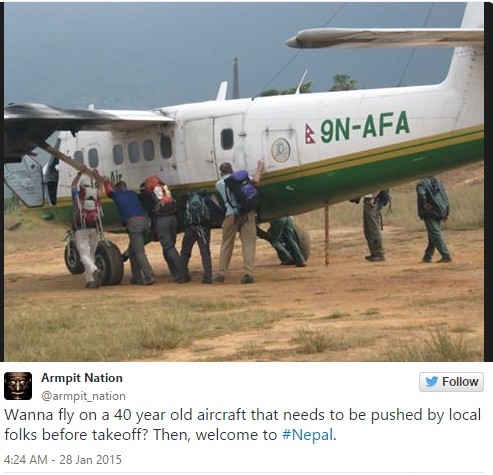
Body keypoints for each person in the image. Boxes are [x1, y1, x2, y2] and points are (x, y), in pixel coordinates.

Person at [214, 160, 264, 284]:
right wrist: (259, 168)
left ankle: (221, 273)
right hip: (247, 213)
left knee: (226, 243)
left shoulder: (219, 184)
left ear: (221, 172)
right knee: (248, 243)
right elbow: (256, 180)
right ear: (232, 170)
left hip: (231, 215)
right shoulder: (241, 178)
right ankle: (249, 273)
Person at [101, 177, 156, 285]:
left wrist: (105, 181)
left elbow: (108, 191)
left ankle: (149, 276)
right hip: (145, 222)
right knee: (132, 251)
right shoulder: (132, 193)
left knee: (139, 252)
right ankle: (136, 277)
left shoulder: (117, 195)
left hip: (134, 224)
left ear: (117, 189)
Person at [176, 189, 225, 284]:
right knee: (205, 253)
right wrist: (216, 203)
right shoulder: (206, 199)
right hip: (203, 229)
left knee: (185, 252)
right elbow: (220, 211)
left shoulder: (188, 199)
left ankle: (182, 276)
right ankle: (207, 277)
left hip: (190, 229)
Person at [71, 166, 102, 289]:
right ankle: (90, 280)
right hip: (94, 227)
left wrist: (79, 174)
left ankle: (94, 271)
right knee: (91, 254)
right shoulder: (96, 194)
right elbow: (100, 185)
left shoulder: (77, 195)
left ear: (81, 187)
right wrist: (97, 176)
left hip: (81, 228)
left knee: (84, 255)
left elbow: (73, 186)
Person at [148, 177, 182, 281]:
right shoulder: (165, 190)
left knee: (169, 248)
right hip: (173, 219)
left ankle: (181, 272)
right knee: (169, 248)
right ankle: (175, 273)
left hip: (163, 221)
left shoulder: (156, 190)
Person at [416, 176, 452, 263]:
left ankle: (446, 255)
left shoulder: (422, 183)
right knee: (432, 234)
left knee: (435, 233)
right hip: (440, 210)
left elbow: (421, 194)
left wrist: (424, 204)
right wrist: (446, 212)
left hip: (430, 212)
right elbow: (445, 198)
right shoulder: (438, 181)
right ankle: (427, 256)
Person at [362, 191, 386, 262]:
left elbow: (379, 186)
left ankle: (379, 254)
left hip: (373, 201)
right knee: (368, 229)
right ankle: (374, 253)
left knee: (373, 229)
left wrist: (373, 198)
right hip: (369, 201)